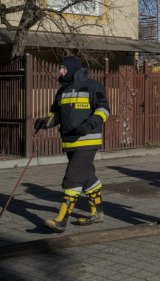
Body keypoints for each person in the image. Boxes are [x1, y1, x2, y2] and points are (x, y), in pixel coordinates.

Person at [34, 56, 110, 233]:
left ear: (72, 68)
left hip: (88, 141)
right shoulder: (62, 91)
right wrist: (44, 122)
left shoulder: (92, 86)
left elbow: (104, 109)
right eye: (59, 68)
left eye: (62, 68)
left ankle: (60, 221)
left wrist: (90, 124)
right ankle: (97, 213)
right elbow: (56, 115)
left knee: (73, 177)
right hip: (69, 143)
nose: (60, 71)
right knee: (87, 177)